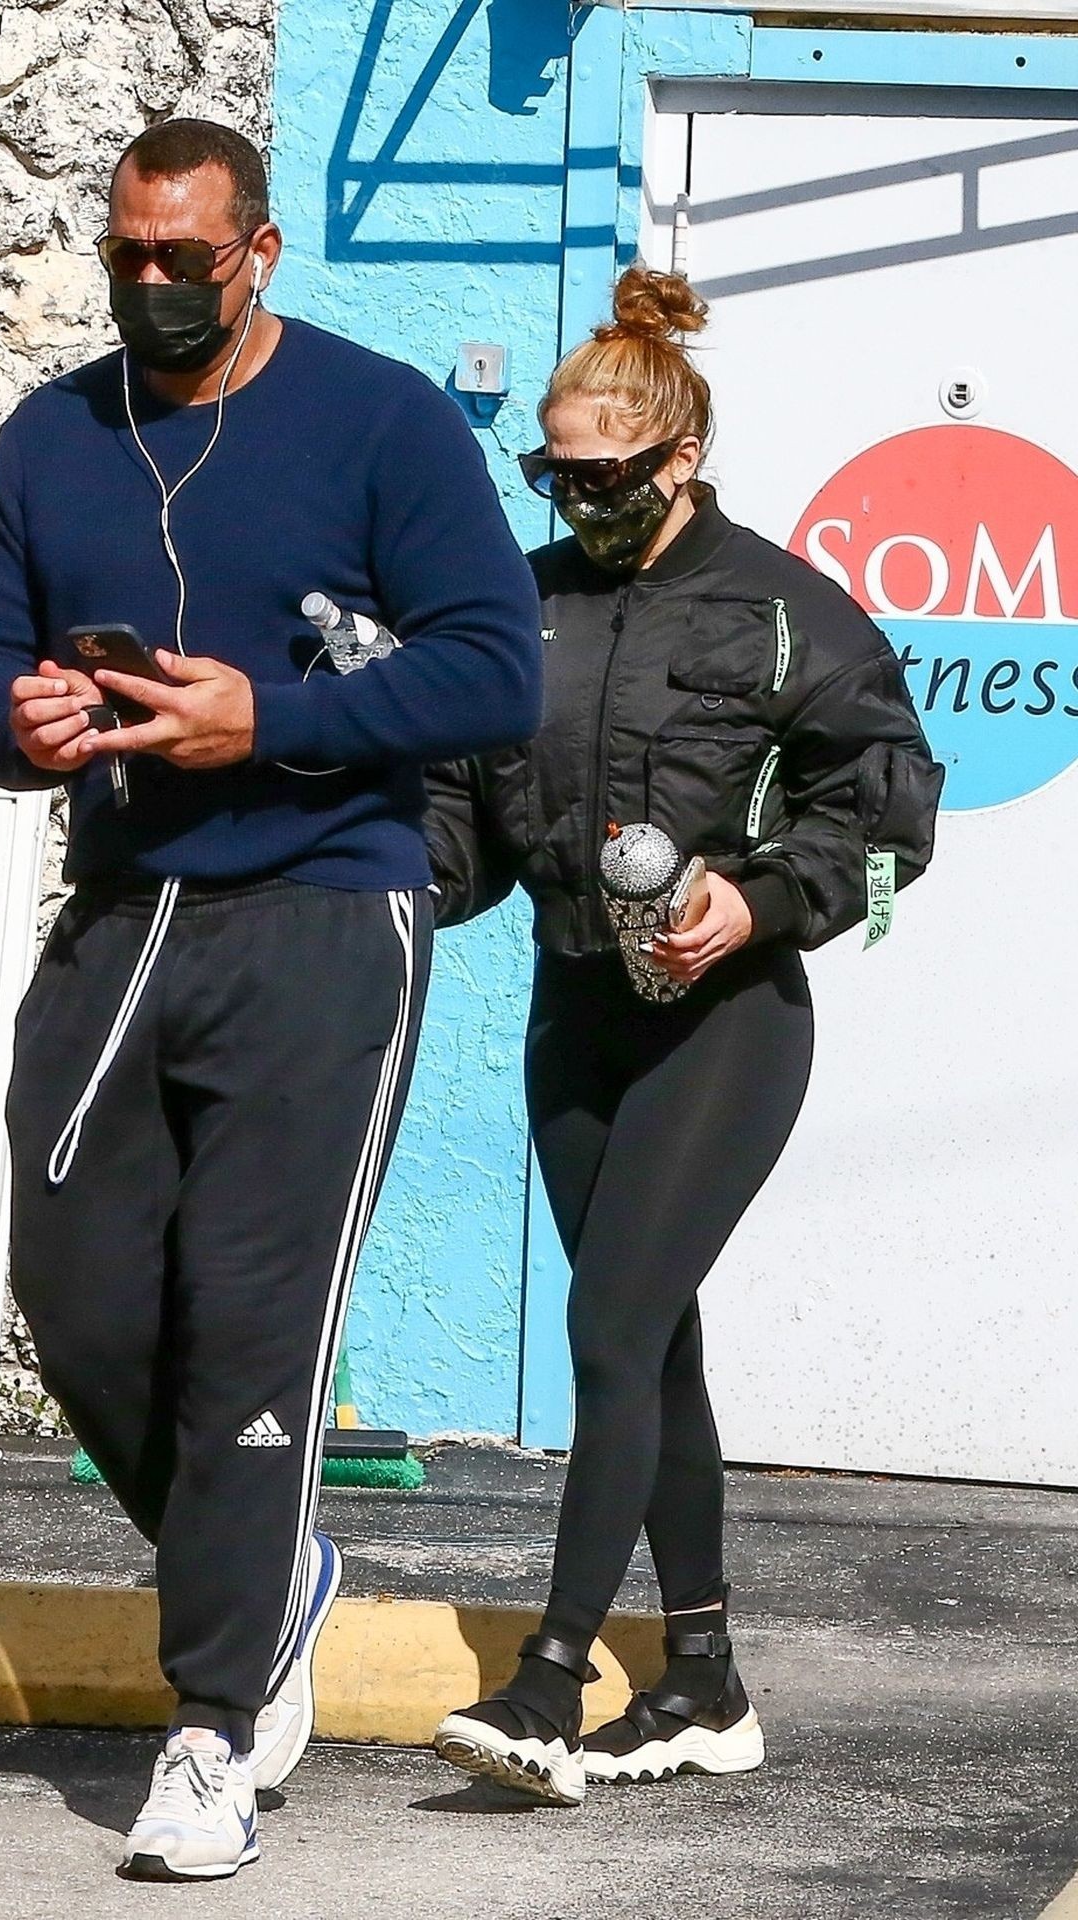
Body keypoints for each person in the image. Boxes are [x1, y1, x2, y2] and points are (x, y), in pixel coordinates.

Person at [0, 119, 541, 1880]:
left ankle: (211, 1730)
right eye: (125, 253)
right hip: (127, 912)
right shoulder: (54, 433)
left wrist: (265, 719)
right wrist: (17, 722)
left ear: (257, 253)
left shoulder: (384, 421)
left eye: (183, 258)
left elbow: (493, 668)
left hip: (327, 910)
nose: (150, 283)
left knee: (254, 1328)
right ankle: (277, 1583)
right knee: (80, 1302)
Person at [427, 268, 943, 1806]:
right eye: (555, 475)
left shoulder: (787, 610)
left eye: (606, 477)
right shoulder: (516, 606)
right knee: (651, 1343)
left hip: (726, 1021)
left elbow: (894, 817)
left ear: (681, 460)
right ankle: (705, 1683)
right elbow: (461, 819)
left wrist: (765, 899)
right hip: (576, 1011)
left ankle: (548, 1684)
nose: (578, 502)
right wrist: (382, 883)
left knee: (606, 1330)